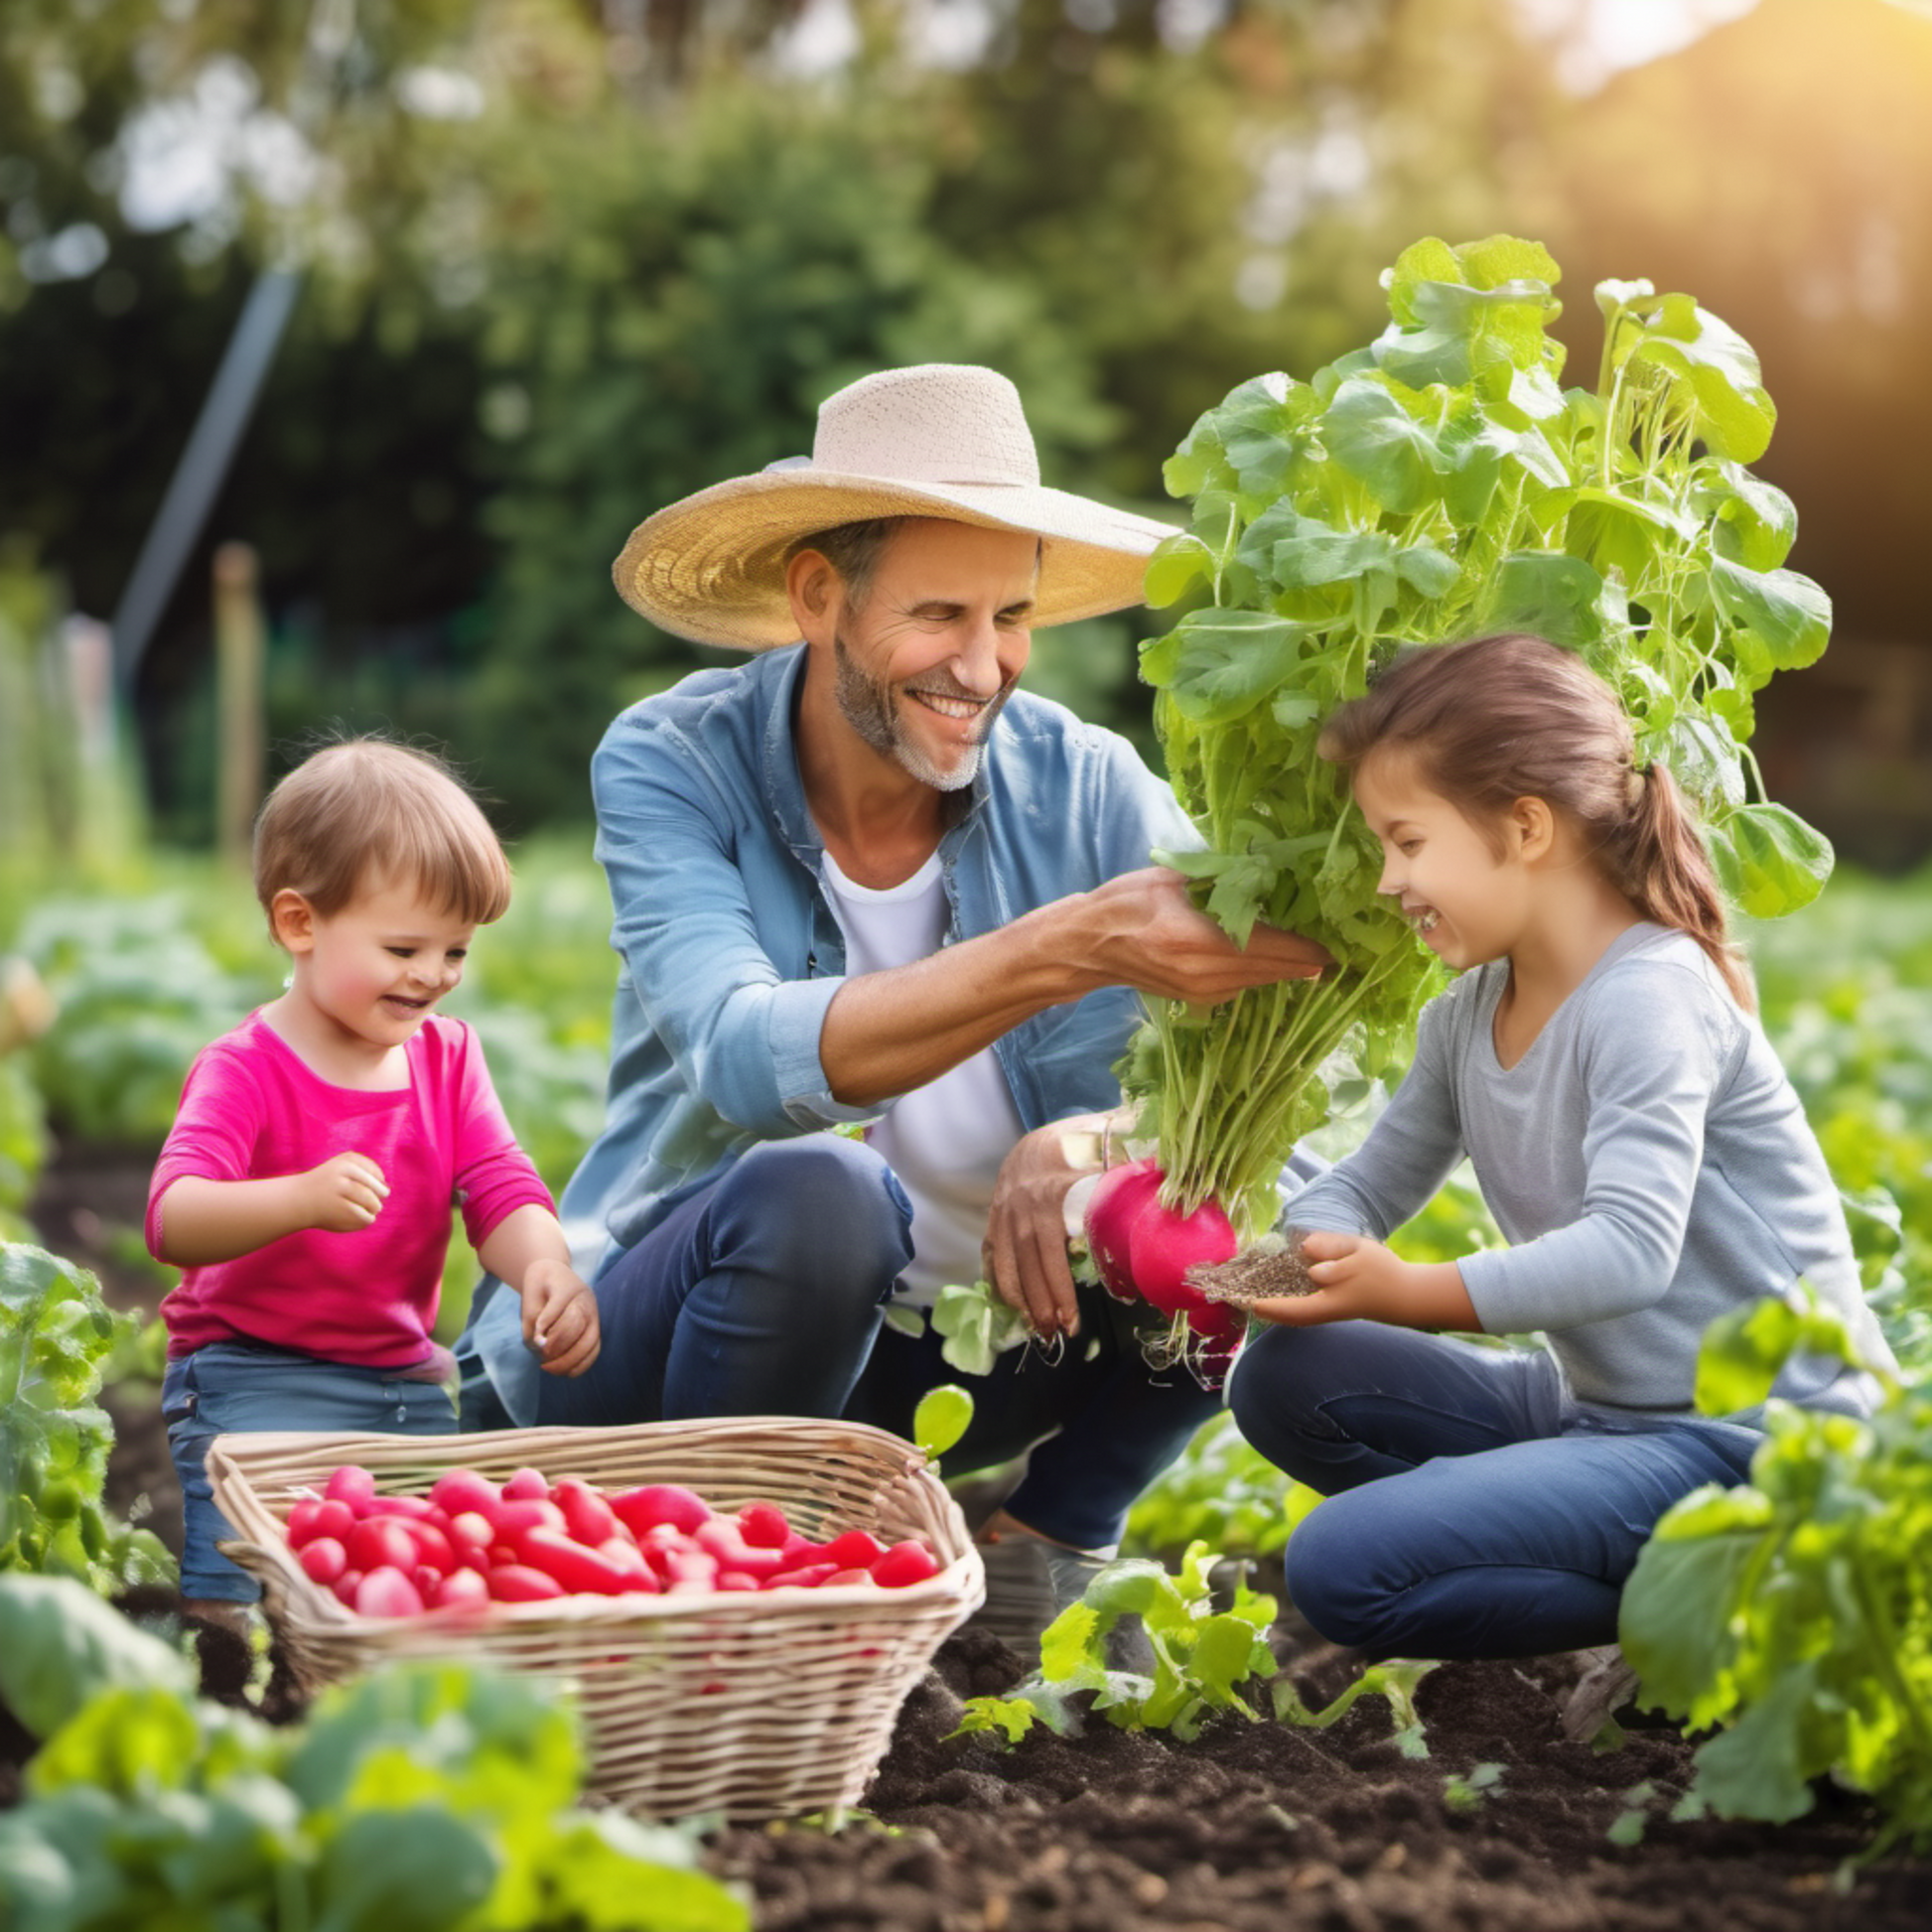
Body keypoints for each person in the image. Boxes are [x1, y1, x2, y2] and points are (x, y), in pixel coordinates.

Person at [455, 362, 1329, 1626]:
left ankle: (1047, 1539)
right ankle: (716, 1586)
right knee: (821, 1188)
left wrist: (1096, 1140)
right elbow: (746, 1062)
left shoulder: (1085, 786)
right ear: (819, 597)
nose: (983, 666)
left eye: (1010, 616)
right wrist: (1071, 942)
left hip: (969, 1359)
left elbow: (1287, 1088)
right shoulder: (672, 760)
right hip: (666, 1357)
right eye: (940, 616)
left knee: (1234, 1218)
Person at [1226, 631, 1896, 1671]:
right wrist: (1306, 1253)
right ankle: (1632, 1559)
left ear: (1524, 824)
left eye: (1406, 842)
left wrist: (1403, 1287)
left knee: (1339, 1568)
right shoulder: (1466, 1014)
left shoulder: (1647, 996)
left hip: (1763, 1443)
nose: (1387, 881)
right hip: (1601, 1411)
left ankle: (1727, 1603)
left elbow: (1630, 1252)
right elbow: (1366, 1180)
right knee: (1284, 1378)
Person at [149, 737, 601, 1628]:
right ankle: (226, 1690)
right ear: (299, 924)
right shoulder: (246, 1069)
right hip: (252, 1373)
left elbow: (499, 1185)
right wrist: (299, 1199)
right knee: (249, 1582)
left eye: (456, 951)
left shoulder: (449, 1058)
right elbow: (174, 1218)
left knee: (405, 1581)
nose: (433, 976)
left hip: (400, 1379)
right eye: (404, 947)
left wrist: (545, 1264)